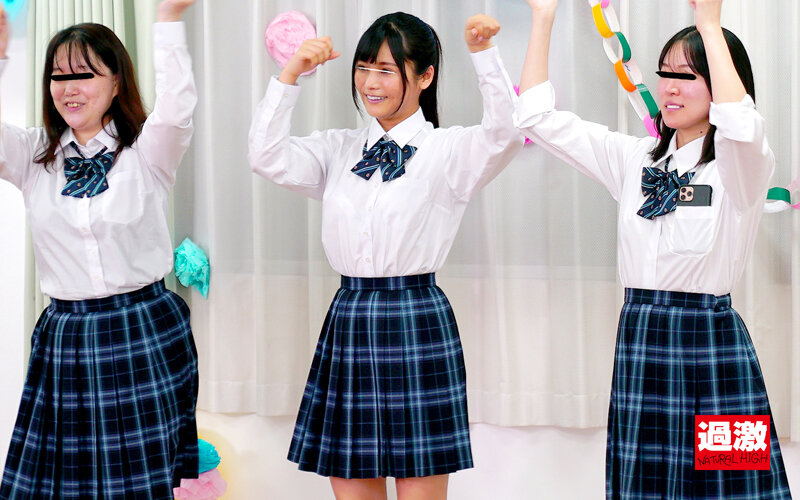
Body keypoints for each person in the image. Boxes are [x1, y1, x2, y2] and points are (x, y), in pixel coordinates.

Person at [515, 0, 792, 498]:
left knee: (734, 485)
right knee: (645, 487)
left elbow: (742, 125)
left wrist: (710, 26)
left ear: (722, 83)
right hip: (642, 343)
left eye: (687, 76)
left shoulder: (742, 167)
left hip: (712, 346)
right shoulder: (634, 159)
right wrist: (543, 18)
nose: (669, 87)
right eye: (665, 73)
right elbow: (537, 117)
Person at [249, 11, 522, 500]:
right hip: (350, 318)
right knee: (352, 484)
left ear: (425, 77)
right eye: (363, 68)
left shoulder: (448, 150)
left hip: (416, 319)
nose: (370, 83)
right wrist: (289, 77)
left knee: (420, 486)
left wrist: (484, 55)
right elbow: (265, 156)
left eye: (386, 70)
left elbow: (505, 135)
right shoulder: (337, 149)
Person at [0, 0, 199, 498]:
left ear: (115, 83)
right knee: (61, 485)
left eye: (84, 74)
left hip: (141, 329)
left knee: (137, 485)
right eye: (58, 76)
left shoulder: (148, 150)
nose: (68, 88)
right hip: (66, 336)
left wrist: (168, 21)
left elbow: (177, 108)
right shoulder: (33, 155)